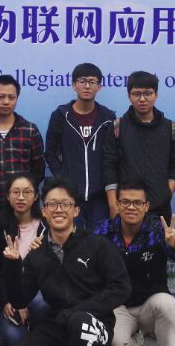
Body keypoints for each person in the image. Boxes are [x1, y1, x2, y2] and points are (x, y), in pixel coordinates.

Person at [3, 177, 131, 346]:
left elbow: (121, 288)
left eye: (65, 204)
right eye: (52, 204)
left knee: (80, 324)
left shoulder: (98, 245)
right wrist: (13, 264)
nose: (58, 210)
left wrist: (76, 312)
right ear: (44, 211)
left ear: (76, 211)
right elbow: (20, 300)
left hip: (95, 320)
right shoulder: (36, 255)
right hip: (58, 323)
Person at [95, 180, 175, 346]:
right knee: (114, 340)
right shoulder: (104, 231)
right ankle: (135, 338)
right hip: (118, 307)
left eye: (137, 202)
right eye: (125, 202)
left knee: (168, 304)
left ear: (146, 206)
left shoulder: (158, 230)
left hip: (150, 305)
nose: (131, 207)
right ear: (117, 204)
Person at [45, 63, 118, 228]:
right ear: (74, 85)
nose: (87, 86)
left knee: (99, 239)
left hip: (100, 197)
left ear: (99, 87)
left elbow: (112, 156)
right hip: (70, 196)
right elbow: (50, 152)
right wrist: (63, 177)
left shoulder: (108, 118)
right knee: (71, 239)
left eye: (92, 82)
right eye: (82, 81)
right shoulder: (61, 116)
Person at [104, 71, 175, 222]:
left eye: (148, 93)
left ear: (156, 95)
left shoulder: (170, 128)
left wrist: (167, 192)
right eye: (136, 94)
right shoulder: (117, 127)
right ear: (129, 96)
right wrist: (113, 204)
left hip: (160, 207)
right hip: (126, 206)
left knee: (161, 239)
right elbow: (109, 166)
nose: (142, 99)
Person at [0, 172, 50, 345]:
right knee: (13, 338)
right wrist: (6, 301)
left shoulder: (46, 226)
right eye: (15, 192)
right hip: (10, 296)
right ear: (8, 196)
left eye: (27, 192)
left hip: (38, 295)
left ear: (35, 196)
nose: (21, 197)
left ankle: (40, 328)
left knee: (41, 304)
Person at [0, 74, 46, 223]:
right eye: (1, 97)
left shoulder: (30, 130)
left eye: (11, 97)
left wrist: (23, 193)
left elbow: (38, 170)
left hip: (23, 208)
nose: (6, 101)